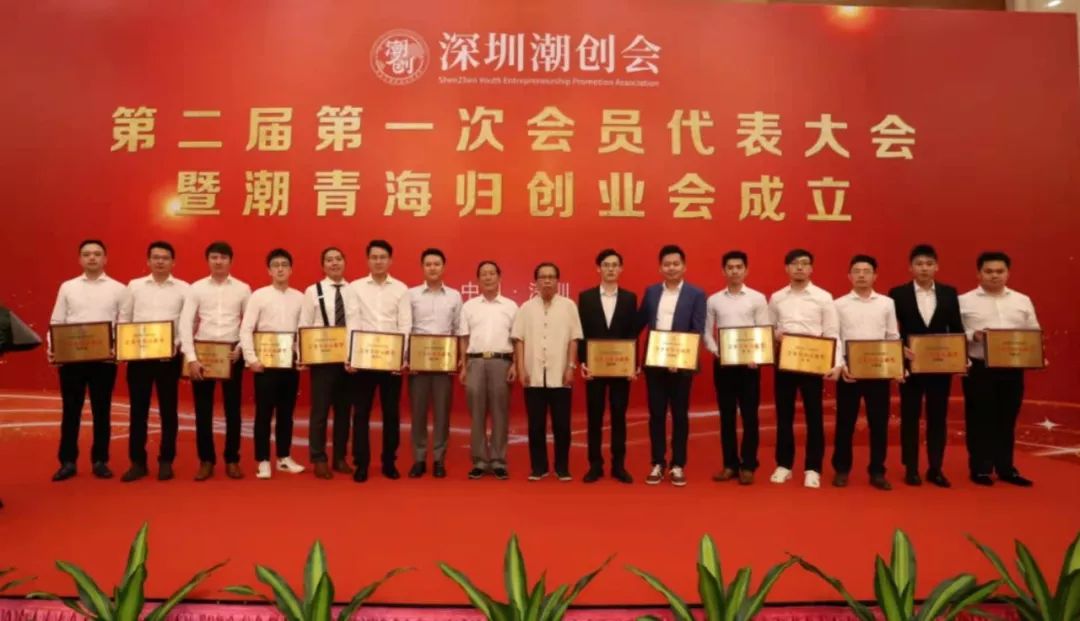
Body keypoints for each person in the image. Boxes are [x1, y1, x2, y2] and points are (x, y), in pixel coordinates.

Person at [960, 251, 1042, 487]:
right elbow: (953, 334)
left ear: (1008, 273)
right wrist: (973, 335)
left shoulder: (1022, 300)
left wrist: (1037, 356)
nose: (994, 276)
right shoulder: (963, 301)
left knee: (1007, 418)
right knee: (979, 418)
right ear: (979, 274)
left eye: (999, 271)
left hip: (1013, 368)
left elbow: (1033, 332)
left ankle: (1006, 468)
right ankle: (980, 469)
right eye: (989, 271)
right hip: (980, 368)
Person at [48, 239, 126, 481]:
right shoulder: (68, 287)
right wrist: (54, 349)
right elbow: (57, 321)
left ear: (105, 259)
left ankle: (100, 460)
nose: (92, 258)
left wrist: (117, 350)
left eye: (97, 254)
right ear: (79, 259)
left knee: (102, 410)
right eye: (87, 254)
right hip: (72, 359)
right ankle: (67, 461)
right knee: (71, 410)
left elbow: (123, 324)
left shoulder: (119, 289)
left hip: (104, 360)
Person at [888, 244, 964, 488]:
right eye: (919, 264)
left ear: (936, 267)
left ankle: (935, 468)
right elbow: (889, 330)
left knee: (938, 417)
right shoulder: (898, 294)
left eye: (929, 264)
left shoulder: (949, 293)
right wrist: (899, 350)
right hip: (910, 365)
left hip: (940, 366)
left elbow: (957, 329)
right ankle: (911, 468)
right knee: (910, 417)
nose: (924, 268)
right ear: (910, 268)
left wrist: (960, 357)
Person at [767, 248, 842, 489]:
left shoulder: (823, 297)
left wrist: (837, 364)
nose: (799, 267)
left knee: (814, 416)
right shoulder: (777, 297)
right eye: (794, 263)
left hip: (813, 362)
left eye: (804, 263)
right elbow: (768, 328)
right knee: (784, 415)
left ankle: (813, 468)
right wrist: (776, 335)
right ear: (787, 268)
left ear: (811, 268)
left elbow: (832, 332)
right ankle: (784, 465)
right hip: (785, 362)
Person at [179, 241, 251, 481]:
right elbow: (185, 323)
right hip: (203, 355)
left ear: (231, 260)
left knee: (233, 410)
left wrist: (240, 349)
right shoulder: (196, 288)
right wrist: (191, 358)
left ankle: (232, 459)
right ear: (208, 260)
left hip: (231, 355)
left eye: (223, 257)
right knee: (203, 411)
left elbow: (249, 323)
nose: (218, 261)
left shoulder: (242, 289)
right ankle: (206, 460)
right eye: (214, 257)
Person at [117, 241, 188, 482]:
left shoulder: (184, 289)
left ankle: (166, 460)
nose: (160, 261)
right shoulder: (134, 286)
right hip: (139, 359)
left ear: (173, 262)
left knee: (169, 411)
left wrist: (175, 344)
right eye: (156, 257)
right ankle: (137, 462)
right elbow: (125, 318)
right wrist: (124, 346)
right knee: (138, 411)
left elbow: (187, 323)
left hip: (169, 358)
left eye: (165, 258)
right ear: (148, 261)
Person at [637, 244, 707, 487]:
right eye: (666, 264)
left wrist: (680, 360)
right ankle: (657, 463)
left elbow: (697, 330)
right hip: (655, 364)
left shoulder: (696, 294)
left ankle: (678, 464)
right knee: (656, 414)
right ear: (660, 268)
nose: (671, 268)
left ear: (684, 266)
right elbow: (639, 323)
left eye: (676, 263)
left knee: (679, 415)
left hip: (681, 365)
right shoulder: (652, 292)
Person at [345, 239, 411, 482]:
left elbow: (405, 325)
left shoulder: (401, 289)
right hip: (364, 359)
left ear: (390, 260)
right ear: (368, 260)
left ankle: (388, 462)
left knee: (391, 414)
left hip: (391, 361)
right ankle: (361, 463)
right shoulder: (355, 287)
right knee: (361, 413)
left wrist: (401, 357)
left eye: (383, 257)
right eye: (374, 257)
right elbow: (352, 322)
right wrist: (350, 356)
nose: (378, 261)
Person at [832, 254, 899, 491]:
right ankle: (841, 469)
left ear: (875, 276)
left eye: (867, 271)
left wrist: (894, 367)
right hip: (849, 370)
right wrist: (841, 365)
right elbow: (835, 337)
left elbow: (892, 336)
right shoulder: (838, 304)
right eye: (857, 271)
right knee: (845, 422)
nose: (862, 275)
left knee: (879, 423)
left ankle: (878, 471)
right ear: (849, 276)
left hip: (878, 370)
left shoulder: (886, 303)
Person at [702, 250, 769, 485]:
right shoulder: (714, 300)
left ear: (746, 270)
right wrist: (718, 352)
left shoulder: (757, 298)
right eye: (730, 267)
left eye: (739, 267)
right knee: (727, 416)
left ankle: (748, 465)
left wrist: (757, 356)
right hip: (724, 365)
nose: (734, 271)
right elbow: (707, 333)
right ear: (723, 271)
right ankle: (730, 464)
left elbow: (764, 330)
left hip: (750, 366)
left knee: (750, 416)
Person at [512, 262, 583, 482]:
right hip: (533, 373)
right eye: (543, 277)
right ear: (536, 282)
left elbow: (574, 339)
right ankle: (539, 467)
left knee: (562, 424)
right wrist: (521, 367)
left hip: (560, 373)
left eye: (551, 277)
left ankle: (562, 467)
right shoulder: (526, 308)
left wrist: (570, 367)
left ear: (558, 281)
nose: (547, 281)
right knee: (536, 425)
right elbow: (519, 340)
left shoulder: (569, 306)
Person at [240, 248, 306, 480]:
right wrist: (251, 359)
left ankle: (284, 457)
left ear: (291, 269)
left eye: (284, 265)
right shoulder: (259, 296)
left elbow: (303, 331)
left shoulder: (300, 297)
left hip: (290, 365)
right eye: (275, 265)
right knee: (264, 413)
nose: (280, 269)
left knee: (286, 413)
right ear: (269, 270)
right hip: (265, 365)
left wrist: (302, 357)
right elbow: (246, 329)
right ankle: (263, 460)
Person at [577, 249, 637, 484]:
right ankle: (595, 465)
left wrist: (633, 364)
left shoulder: (630, 298)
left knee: (619, 416)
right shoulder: (586, 297)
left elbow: (632, 334)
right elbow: (581, 333)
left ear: (621, 269)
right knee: (594, 416)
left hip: (621, 368)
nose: (610, 269)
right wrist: (583, 362)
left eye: (615, 265)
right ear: (598, 268)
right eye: (606, 265)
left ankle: (618, 465)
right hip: (595, 369)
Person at [458, 260, 518, 480]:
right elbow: (464, 338)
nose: (488, 277)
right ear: (478, 280)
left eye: (492, 273)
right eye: (483, 274)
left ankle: (499, 460)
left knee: (500, 414)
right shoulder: (469, 306)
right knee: (477, 414)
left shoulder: (511, 306)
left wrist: (516, 364)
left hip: (502, 362)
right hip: (475, 362)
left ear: (499, 277)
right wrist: (463, 365)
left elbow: (517, 339)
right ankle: (480, 461)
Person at [407, 248, 462, 479]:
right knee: (418, 413)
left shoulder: (454, 296)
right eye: (428, 264)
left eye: (436, 264)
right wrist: (406, 357)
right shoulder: (411, 295)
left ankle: (439, 459)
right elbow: (406, 326)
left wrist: (458, 357)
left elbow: (458, 329)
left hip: (443, 364)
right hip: (418, 364)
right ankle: (419, 459)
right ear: (422, 267)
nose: (432, 268)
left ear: (443, 267)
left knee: (442, 413)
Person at [299, 247, 353, 479]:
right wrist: (302, 354)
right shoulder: (313, 291)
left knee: (344, 412)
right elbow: (304, 324)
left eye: (338, 259)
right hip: (322, 361)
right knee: (320, 412)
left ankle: (340, 457)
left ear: (344, 262)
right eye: (329, 260)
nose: (334, 263)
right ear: (323, 266)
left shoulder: (355, 291)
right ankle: (318, 458)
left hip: (348, 360)